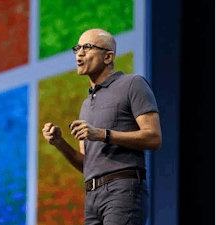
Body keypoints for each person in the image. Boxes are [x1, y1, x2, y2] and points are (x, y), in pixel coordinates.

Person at [41, 28, 162, 225]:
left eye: (87, 47)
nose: (79, 53)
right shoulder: (86, 104)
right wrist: (59, 142)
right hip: (92, 197)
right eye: (77, 48)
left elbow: (154, 138)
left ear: (108, 57)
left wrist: (102, 134)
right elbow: (85, 163)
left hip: (123, 190)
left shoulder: (133, 84)